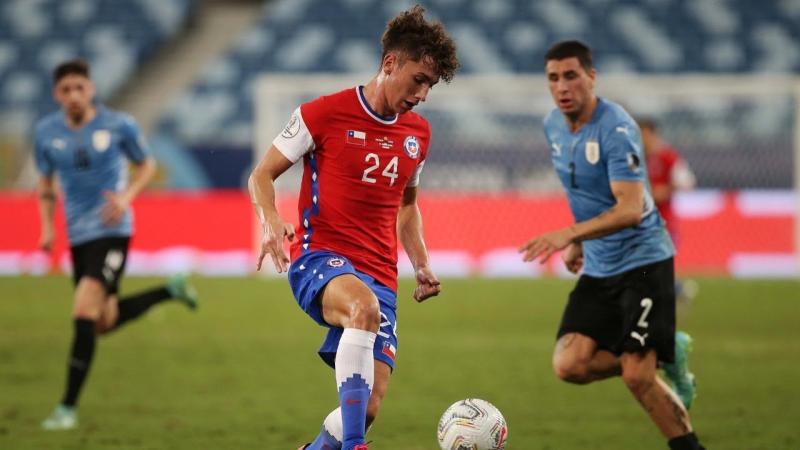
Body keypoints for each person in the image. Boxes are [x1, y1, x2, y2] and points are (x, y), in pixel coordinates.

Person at [248, 6, 458, 450]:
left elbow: (407, 206)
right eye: (419, 80)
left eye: (431, 86)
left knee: (366, 407)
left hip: (380, 274)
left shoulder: (418, 134)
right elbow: (262, 174)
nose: (423, 94)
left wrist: (421, 263)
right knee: (362, 308)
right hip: (320, 258)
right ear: (390, 63)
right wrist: (270, 219)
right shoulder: (322, 114)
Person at [519, 41, 704, 450]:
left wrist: (570, 234)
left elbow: (631, 209)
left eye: (571, 75)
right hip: (601, 264)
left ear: (591, 77)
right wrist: (582, 241)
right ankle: (665, 350)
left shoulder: (617, 128)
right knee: (569, 365)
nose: (562, 86)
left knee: (639, 377)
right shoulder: (553, 125)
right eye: (553, 78)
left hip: (643, 262)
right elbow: (585, 191)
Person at [35, 59, 199, 430]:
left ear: (91, 89)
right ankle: (169, 290)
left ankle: (66, 408)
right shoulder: (46, 133)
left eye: (79, 87)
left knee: (83, 311)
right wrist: (47, 228)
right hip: (78, 235)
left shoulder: (118, 125)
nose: (74, 95)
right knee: (102, 321)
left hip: (112, 231)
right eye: (66, 89)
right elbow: (45, 183)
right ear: (56, 94)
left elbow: (146, 165)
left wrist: (125, 198)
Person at [639, 118, 699, 302]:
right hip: (639, 222)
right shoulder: (635, 157)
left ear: (653, 134)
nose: (642, 139)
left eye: (644, 135)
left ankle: (674, 290)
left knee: (655, 263)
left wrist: (667, 190)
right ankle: (676, 289)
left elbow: (687, 182)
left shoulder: (667, 156)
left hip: (663, 222)